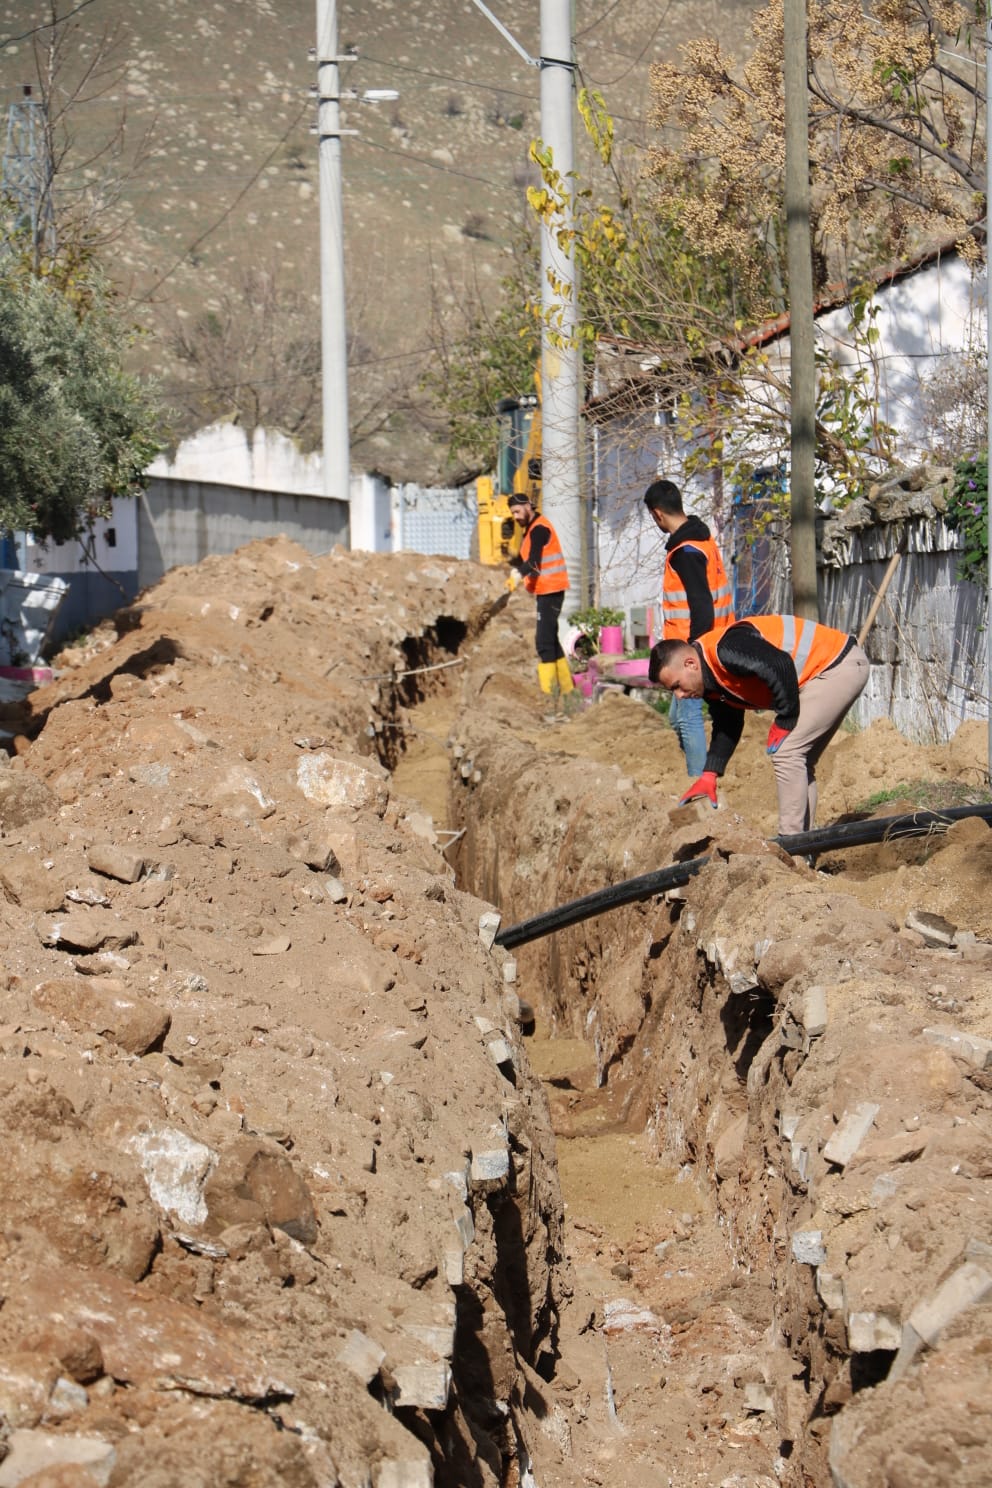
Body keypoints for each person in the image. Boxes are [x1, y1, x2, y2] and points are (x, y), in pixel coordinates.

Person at [648, 614, 869, 836]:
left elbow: (779, 664)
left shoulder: (727, 649)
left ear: (690, 664)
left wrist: (786, 719)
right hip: (827, 671)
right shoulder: (709, 681)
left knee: (787, 752)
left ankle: (790, 843)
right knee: (800, 760)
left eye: (677, 685)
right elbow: (728, 723)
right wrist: (710, 774)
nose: (679, 696)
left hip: (836, 666)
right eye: (672, 691)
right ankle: (804, 847)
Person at [643, 478, 735, 777]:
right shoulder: (702, 540)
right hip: (712, 643)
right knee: (676, 719)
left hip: (691, 654)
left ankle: (700, 786)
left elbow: (702, 607)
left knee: (688, 719)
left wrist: (692, 656)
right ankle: (705, 777)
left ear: (657, 514)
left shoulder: (686, 552)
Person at [507, 492, 574, 702]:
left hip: (550, 590)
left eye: (518, 511)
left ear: (528, 506)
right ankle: (568, 692)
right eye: (513, 513)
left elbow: (534, 562)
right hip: (548, 590)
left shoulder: (538, 529)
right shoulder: (532, 529)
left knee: (543, 643)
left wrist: (519, 573)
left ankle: (549, 697)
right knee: (551, 641)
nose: (516, 516)